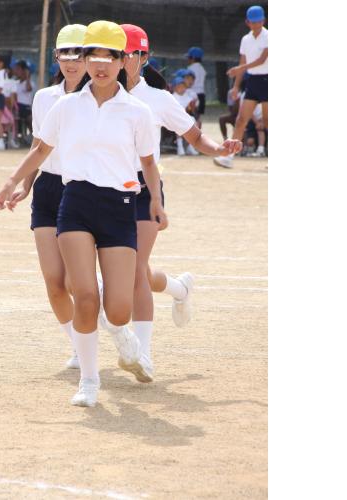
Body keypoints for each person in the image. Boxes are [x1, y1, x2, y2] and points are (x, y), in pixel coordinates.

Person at [0, 21, 166, 407]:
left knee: (117, 309)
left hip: (120, 207)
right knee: (85, 296)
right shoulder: (65, 106)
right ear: (85, 60)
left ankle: (121, 332)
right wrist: (11, 182)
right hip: (75, 203)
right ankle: (89, 381)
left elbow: (148, 162)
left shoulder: (137, 111)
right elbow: (40, 150)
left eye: (109, 57)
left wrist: (155, 201)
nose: (100, 64)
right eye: (93, 56)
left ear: (123, 61)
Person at [115, 23, 243, 381]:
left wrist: (220, 148)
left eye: (127, 53)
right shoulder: (97, 93)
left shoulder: (158, 98)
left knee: (135, 270)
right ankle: (179, 287)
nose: (120, 60)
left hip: (144, 189)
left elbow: (195, 136)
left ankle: (143, 354)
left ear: (143, 57)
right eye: (115, 53)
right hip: (103, 189)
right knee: (131, 272)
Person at [4, 24, 88, 369]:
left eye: (79, 54)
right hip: (47, 189)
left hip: (82, 190)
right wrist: (26, 184)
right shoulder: (43, 98)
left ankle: (110, 324)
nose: (72, 61)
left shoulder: (99, 99)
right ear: (56, 56)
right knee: (54, 284)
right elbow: (38, 146)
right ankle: (80, 347)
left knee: (74, 281)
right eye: (65, 53)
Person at [214, 5, 268, 168]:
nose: (256, 24)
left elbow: (262, 60)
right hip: (252, 81)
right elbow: (243, 62)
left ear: (264, 21)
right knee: (241, 120)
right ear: (247, 22)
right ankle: (229, 157)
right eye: (253, 22)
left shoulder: (269, 36)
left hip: (268, 81)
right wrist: (236, 87)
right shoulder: (245, 39)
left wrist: (240, 69)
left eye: (259, 21)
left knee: (268, 122)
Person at [171, 73, 198, 156]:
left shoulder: (187, 96)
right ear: (175, 88)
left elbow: (192, 109)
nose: (182, 88)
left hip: (186, 117)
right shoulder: (172, 97)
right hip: (174, 118)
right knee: (179, 123)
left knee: (193, 121)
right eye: (180, 86)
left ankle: (190, 146)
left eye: (183, 86)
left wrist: (191, 107)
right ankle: (180, 146)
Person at [14, 60, 36, 143]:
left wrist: (27, 77)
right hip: (16, 106)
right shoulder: (15, 82)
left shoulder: (31, 83)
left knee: (29, 117)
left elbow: (28, 88)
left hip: (25, 107)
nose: (16, 71)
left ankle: (34, 136)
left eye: (18, 69)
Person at [186, 46, 206, 128]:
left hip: (192, 94)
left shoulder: (190, 69)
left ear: (193, 58)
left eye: (189, 57)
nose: (187, 60)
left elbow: (188, 83)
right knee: (198, 117)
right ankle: (199, 133)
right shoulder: (202, 69)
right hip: (201, 94)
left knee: (190, 116)